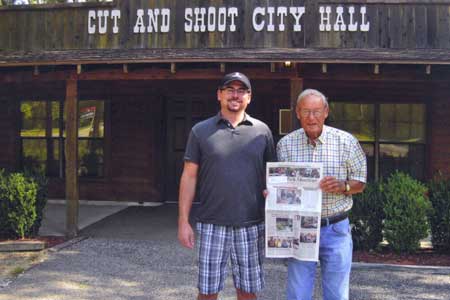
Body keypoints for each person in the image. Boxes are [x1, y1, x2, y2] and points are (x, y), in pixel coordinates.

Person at [177, 72, 275, 300]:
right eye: (230, 89)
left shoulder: (262, 131)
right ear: (219, 94)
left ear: (249, 97)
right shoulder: (200, 131)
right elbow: (189, 177)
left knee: (248, 292)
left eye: (241, 90)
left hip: (251, 225)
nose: (235, 95)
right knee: (208, 292)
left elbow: (273, 178)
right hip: (212, 224)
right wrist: (183, 222)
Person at [277, 89, 367, 300]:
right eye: (306, 111)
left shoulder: (346, 142)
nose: (311, 117)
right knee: (298, 294)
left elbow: (360, 183)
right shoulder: (285, 145)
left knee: (336, 294)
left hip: (335, 228)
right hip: (300, 226)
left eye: (316, 111)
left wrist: (343, 186)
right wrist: (274, 193)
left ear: (326, 112)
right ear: (297, 113)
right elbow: (281, 184)